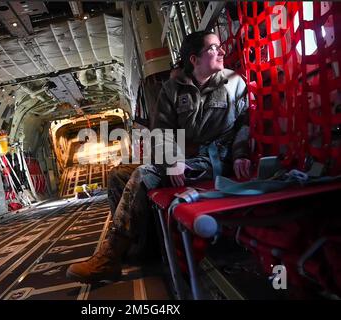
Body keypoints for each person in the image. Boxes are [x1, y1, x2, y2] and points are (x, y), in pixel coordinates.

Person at [66, 30, 251, 283]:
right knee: (119, 175)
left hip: (214, 161)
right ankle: (143, 248)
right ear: (195, 59)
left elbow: (244, 123)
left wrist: (241, 155)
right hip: (184, 160)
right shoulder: (173, 89)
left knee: (143, 174)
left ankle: (109, 258)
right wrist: (173, 160)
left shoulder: (233, 83)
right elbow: (161, 131)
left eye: (219, 47)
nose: (221, 52)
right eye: (213, 48)